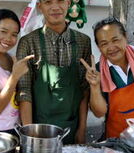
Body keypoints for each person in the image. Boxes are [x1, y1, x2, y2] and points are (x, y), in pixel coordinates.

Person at [16, 0, 92, 144]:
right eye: (48, 2)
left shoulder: (83, 41)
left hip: (72, 128)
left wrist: (82, 130)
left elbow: (84, 89)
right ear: (40, 6)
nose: (55, 7)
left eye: (60, 1)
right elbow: (24, 91)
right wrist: (29, 135)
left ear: (68, 3)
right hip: (38, 130)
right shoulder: (28, 42)